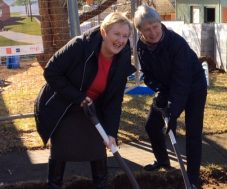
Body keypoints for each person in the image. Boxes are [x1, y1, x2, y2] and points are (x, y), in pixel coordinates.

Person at [34, 12, 135, 189]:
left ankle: (101, 185)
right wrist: (79, 97)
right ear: (104, 32)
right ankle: (54, 185)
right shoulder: (80, 45)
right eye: (116, 34)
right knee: (61, 151)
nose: (120, 40)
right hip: (63, 105)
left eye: (125, 36)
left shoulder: (122, 59)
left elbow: (114, 100)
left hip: (92, 109)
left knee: (98, 149)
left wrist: (111, 132)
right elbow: (51, 72)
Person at [133, 5, 207, 188]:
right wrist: (159, 91)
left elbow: (182, 81)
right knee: (152, 125)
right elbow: (148, 75)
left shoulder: (176, 44)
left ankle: (192, 179)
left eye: (155, 26)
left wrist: (172, 113)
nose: (152, 32)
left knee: (193, 132)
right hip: (167, 87)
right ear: (140, 31)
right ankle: (163, 161)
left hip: (194, 86)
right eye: (147, 29)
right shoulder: (141, 46)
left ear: (160, 23)